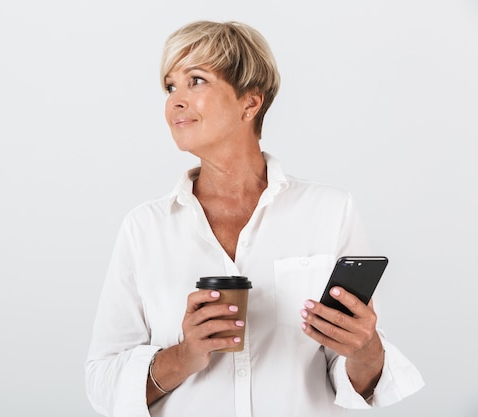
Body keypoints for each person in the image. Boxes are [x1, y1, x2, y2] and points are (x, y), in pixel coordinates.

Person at [85, 20, 424, 417]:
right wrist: (185, 355)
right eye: (170, 86)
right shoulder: (144, 228)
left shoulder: (330, 211)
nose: (175, 101)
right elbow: (102, 383)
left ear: (250, 102)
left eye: (196, 80)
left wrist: (366, 349)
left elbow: (353, 375)